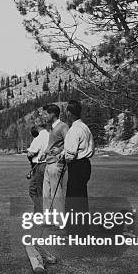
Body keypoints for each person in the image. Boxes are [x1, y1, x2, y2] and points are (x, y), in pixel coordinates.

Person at [61, 100, 95, 233]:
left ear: (69, 113)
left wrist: (62, 157)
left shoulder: (74, 130)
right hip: (85, 164)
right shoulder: (85, 127)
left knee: (73, 198)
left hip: (76, 165)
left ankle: (74, 231)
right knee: (81, 197)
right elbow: (90, 146)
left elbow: (70, 154)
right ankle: (81, 229)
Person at [37, 104, 69, 217]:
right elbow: (51, 145)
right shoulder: (51, 127)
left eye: (46, 114)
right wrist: (44, 153)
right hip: (48, 162)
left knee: (56, 193)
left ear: (53, 114)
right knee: (46, 193)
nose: (44, 117)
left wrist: (60, 150)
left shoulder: (63, 126)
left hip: (57, 163)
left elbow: (69, 143)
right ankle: (48, 219)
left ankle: (59, 220)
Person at [26, 122, 49, 213]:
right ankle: (40, 212)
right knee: (41, 190)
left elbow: (31, 152)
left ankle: (40, 212)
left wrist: (29, 157)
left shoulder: (39, 138)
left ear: (38, 127)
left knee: (36, 190)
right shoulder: (50, 135)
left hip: (40, 166)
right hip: (48, 164)